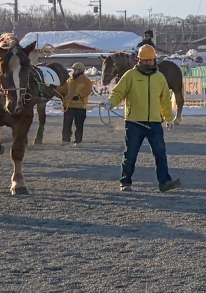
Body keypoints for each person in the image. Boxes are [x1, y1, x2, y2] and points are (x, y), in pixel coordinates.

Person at [108, 44, 180, 192]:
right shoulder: (130, 76)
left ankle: (165, 182)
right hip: (134, 123)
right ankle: (125, 182)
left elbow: (165, 101)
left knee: (160, 153)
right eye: (145, 60)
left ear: (154, 60)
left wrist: (169, 118)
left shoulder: (160, 78)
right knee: (130, 154)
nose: (148, 63)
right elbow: (118, 92)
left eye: (150, 60)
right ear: (139, 60)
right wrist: (110, 102)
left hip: (154, 123)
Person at [62, 62, 93, 146]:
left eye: (75, 70)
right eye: (73, 70)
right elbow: (64, 89)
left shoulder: (86, 81)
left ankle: (78, 141)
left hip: (80, 107)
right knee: (66, 124)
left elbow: (88, 90)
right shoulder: (69, 80)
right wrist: (54, 88)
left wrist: (79, 96)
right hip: (69, 105)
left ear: (80, 71)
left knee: (79, 125)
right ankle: (65, 140)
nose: (73, 71)